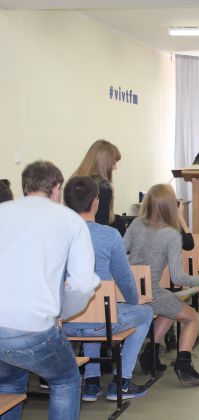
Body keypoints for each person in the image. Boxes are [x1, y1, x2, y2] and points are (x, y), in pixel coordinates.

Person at [0, 161, 100, 420]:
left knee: (8, 384)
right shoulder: (71, 221)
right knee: (66, 380)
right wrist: (61, 313)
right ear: (57, 188)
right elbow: (82, 285)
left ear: (25, 187)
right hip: (33, 329)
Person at [62, 176, 153, 402]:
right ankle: (121, 381)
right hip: (101, 322)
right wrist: (134, 301)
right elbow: (125, 280)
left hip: (64, 323)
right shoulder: (109, 235)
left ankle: (91, 383)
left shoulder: (57, 235)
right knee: (145, 313)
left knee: (92, 313)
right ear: (96, 202)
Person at [124, 184, 199, 386]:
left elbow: (120, 252)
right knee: (193, 318)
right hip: (150, 292)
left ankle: (149, 355)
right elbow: (177, 277)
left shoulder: (136, 223)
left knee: (170, 307)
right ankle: (184, 365)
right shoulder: (172, 234)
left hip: (127, 289)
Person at [73, 139, 121, 227]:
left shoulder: (73, 183)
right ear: (103, 163)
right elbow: (102, 225)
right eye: (113, 163)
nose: (115, 168)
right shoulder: (104, 187)